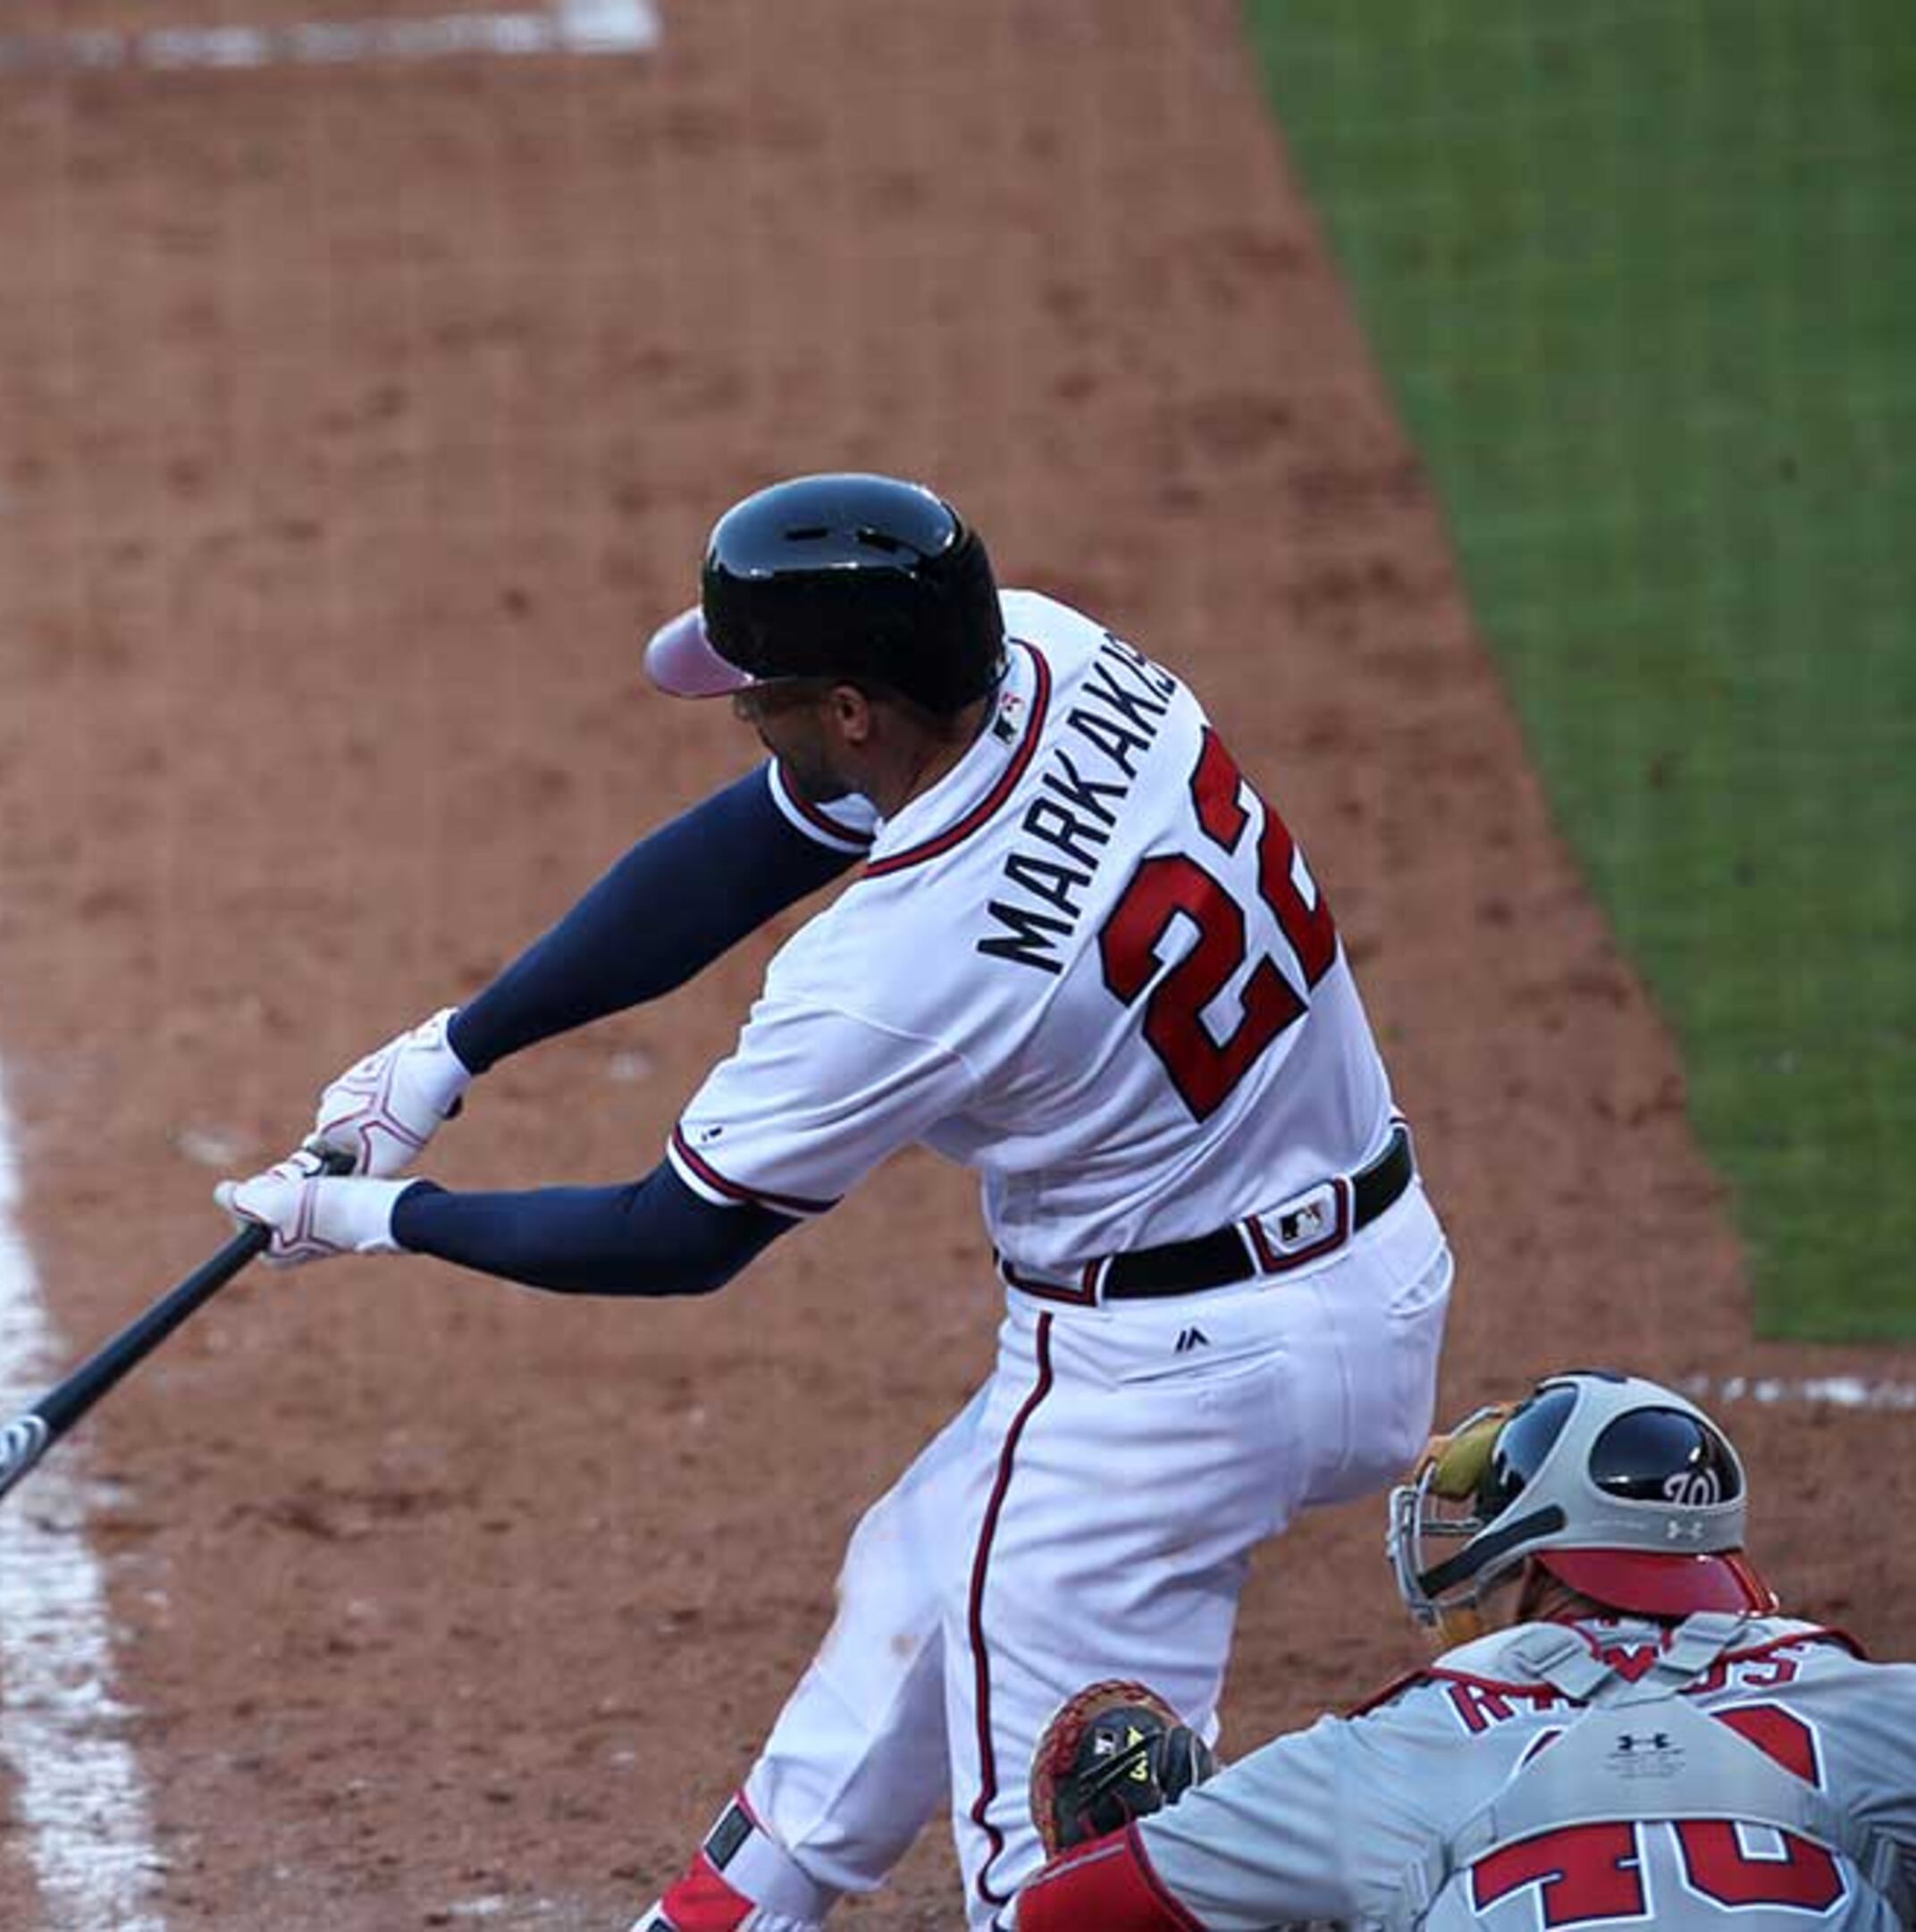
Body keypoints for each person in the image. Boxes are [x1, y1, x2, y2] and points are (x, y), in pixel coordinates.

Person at [214, 472, 1457, 1928]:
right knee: (915, 1590)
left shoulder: (893, 978)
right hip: (1377, 1274)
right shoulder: (1058, 656)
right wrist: (450, 1051)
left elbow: (675, 1237)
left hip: (1154, 1403)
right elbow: (753, 843)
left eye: (763, 695)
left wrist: (376, 1221)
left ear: (854, 708)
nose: (748, 716)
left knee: (1068, 1894)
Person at [1016, 1369, 1916, 1930]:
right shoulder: (1874, 1707)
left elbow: (1067, 1909)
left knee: (1140, 1787)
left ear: (1540, 1559)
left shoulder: (1403, 1745)